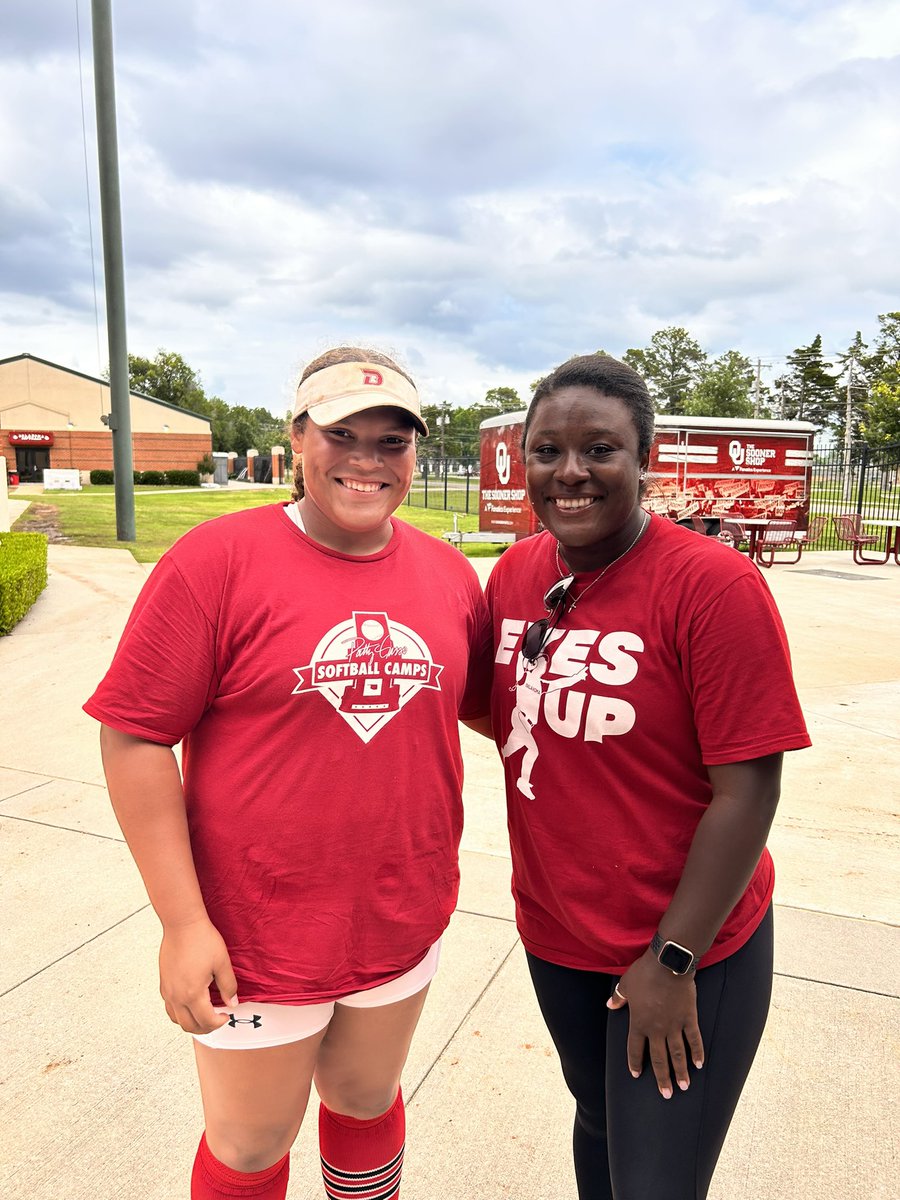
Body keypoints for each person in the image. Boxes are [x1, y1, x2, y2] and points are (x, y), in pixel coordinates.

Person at [84, 347, 491, 1200]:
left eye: (393, 441)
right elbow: (134, 738)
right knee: (249, 1144)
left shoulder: (451, 576)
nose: (367, 461)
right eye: (343, 433)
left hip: (398, 911)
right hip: (254, 933)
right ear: (297, 437)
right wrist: (182, 924)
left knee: (364, 1097)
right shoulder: (216, 560)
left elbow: (488, 709)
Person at [483, 354, 811, 1200]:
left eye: (601, 449)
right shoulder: (518, 574)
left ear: (645, 459)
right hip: (559, 936)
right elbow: (499, 713)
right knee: (598, 1129)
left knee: (656, 1184)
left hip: (688, 947)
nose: (572, 473)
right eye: (547, 451)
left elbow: (750, 789)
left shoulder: (713, 587)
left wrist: (673, 960)